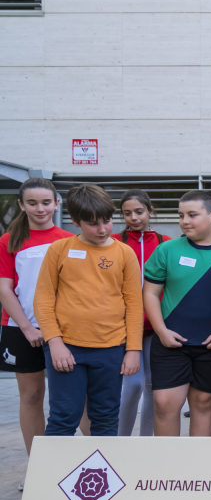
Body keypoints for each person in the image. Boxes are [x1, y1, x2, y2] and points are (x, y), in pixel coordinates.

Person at [34, 183, 143, 437]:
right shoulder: (59, 250)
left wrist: (133, 349)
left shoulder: (125, 253)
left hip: (111, 349)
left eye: (107, 221)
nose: (103, 229)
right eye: (93, 223)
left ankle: (104, 476)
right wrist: (55, 342)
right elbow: (43, 300)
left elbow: (134, 305)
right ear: (75, 221)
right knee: (63, 418)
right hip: (67, 349)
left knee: (105, 418)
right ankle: (53, 476)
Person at [142, 190, 211, 437]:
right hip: (170, 343)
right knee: (164, 404)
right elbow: (150, 294)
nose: (185, 221)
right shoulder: (166, 250)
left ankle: (196, 470)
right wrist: (161, 332)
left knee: (204, 405)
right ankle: (166, 469)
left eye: (192, 215)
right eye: (181, 215)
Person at [0, 179, 73, 474]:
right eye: (32, 203)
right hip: (22, 330)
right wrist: (28, 329)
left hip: (64, 331)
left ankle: (92, 462)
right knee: (31, 397)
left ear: (57, 204)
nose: (40, 209)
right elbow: (5, 289)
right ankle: (38, 470)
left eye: (46, 202)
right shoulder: (8, 241)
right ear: (21, 205)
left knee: (72, 398)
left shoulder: (69, 239)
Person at [113, 190, 169, 438]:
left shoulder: (165, 241)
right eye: (127, 213)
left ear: (150, 210)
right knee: (131, 386)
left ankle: (146, 443)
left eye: (139, 211)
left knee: (151, 387)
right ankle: (120, 441)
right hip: (124, 327)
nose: (134, 217)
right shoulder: (115, 241)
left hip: (154, 327)